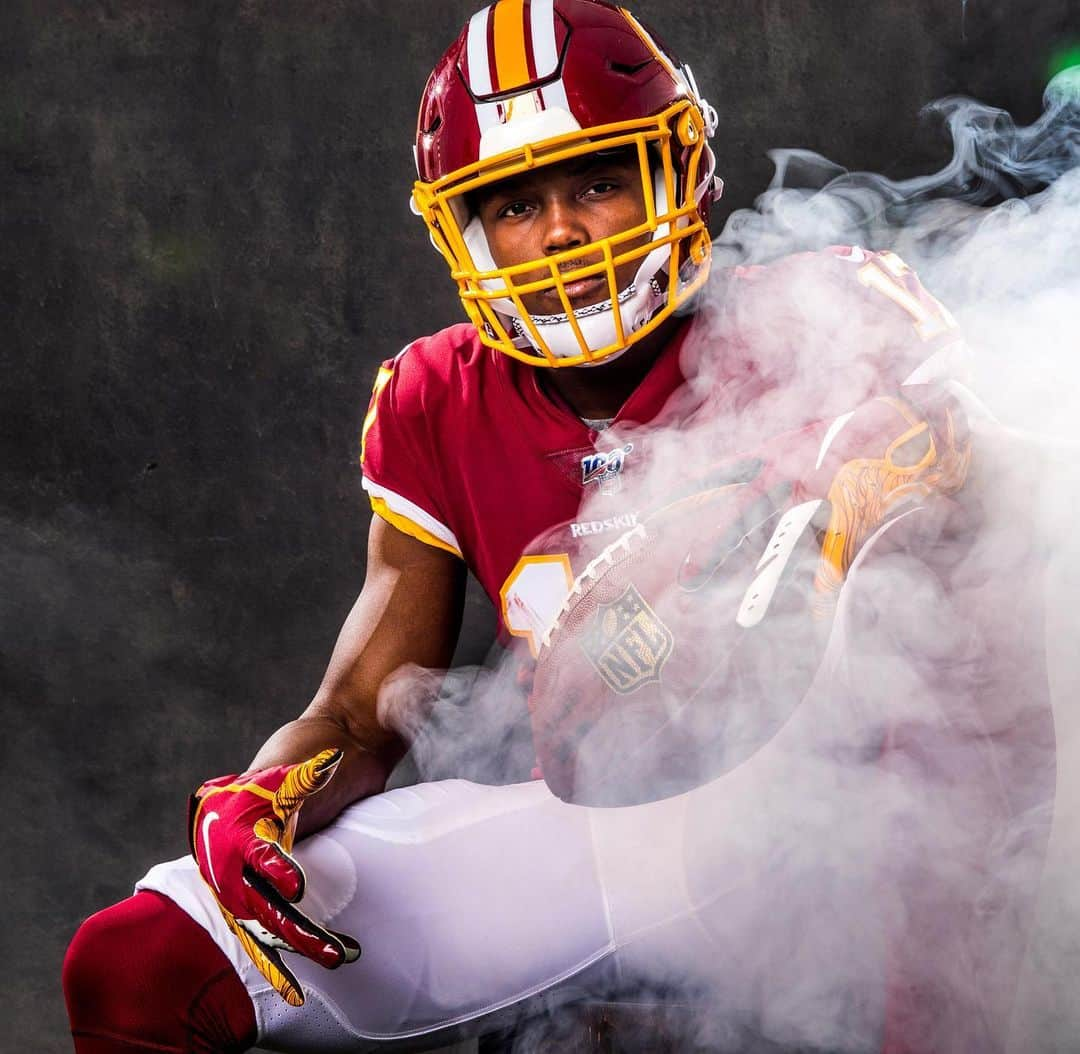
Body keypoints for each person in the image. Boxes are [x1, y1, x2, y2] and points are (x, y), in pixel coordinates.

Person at [62, 2, 1055, 1052]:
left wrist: (908, 464)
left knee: (952, 540)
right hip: (607, 836)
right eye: (515, 204)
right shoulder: (434, 396)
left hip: (838, 847)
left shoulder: (825, 316)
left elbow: (1034, 514)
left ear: (675, 172)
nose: (561, 230)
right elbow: (360, 712)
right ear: (467, 230)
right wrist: (265, 792)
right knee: (137, 958)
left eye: (595, 181)